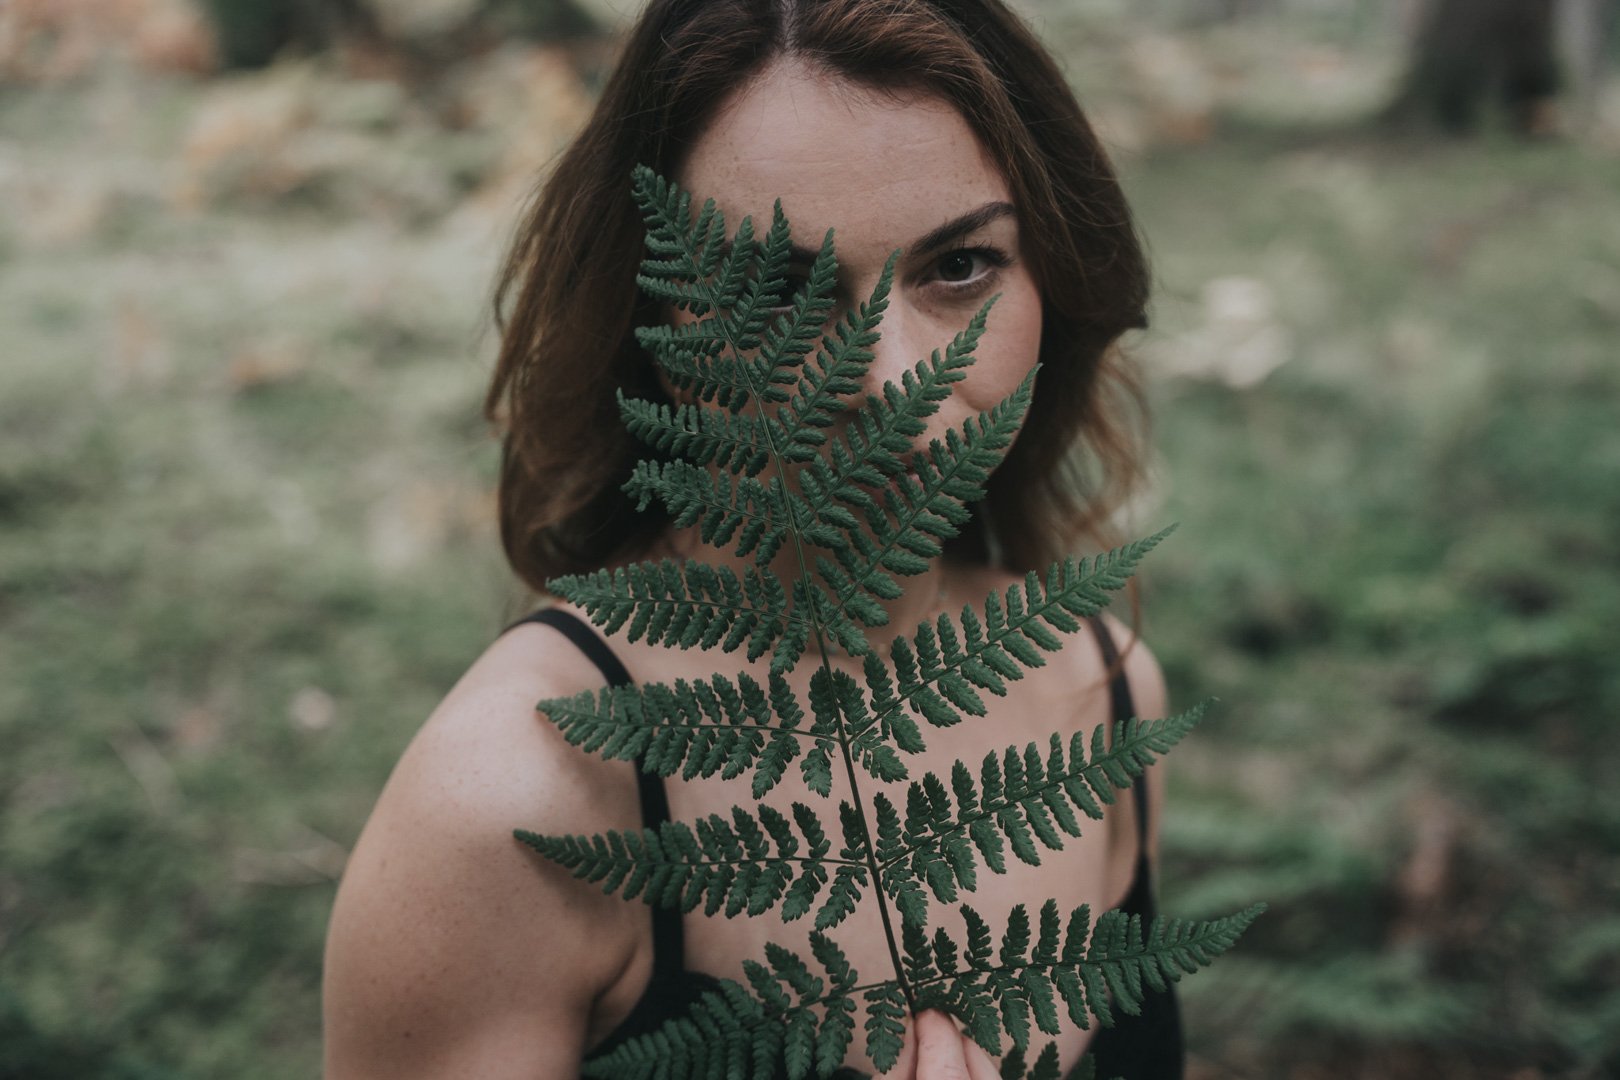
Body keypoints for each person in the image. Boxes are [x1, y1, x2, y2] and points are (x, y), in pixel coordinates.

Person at [322, 1, 1181, 1077]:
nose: (891, 389)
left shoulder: (1103, 695)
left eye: (958, 267)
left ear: (1051, 270)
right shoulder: (510, 802)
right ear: (651, 311)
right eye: (781, 290)